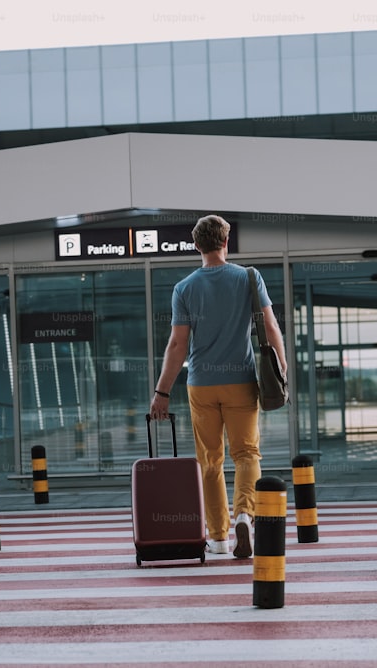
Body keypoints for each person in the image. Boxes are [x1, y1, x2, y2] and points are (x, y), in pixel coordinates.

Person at [149, 214, 287, 558]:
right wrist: (281, 368)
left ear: (196, 245)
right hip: (241, 380)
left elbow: (177, 345)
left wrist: (162, 391)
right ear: (227, 243)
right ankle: (244, 513)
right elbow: (271, 328)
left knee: (209, 462)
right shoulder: (249, 279)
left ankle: (218, 537)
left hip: (201, 385)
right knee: (246, 453)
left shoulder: (184, 288)